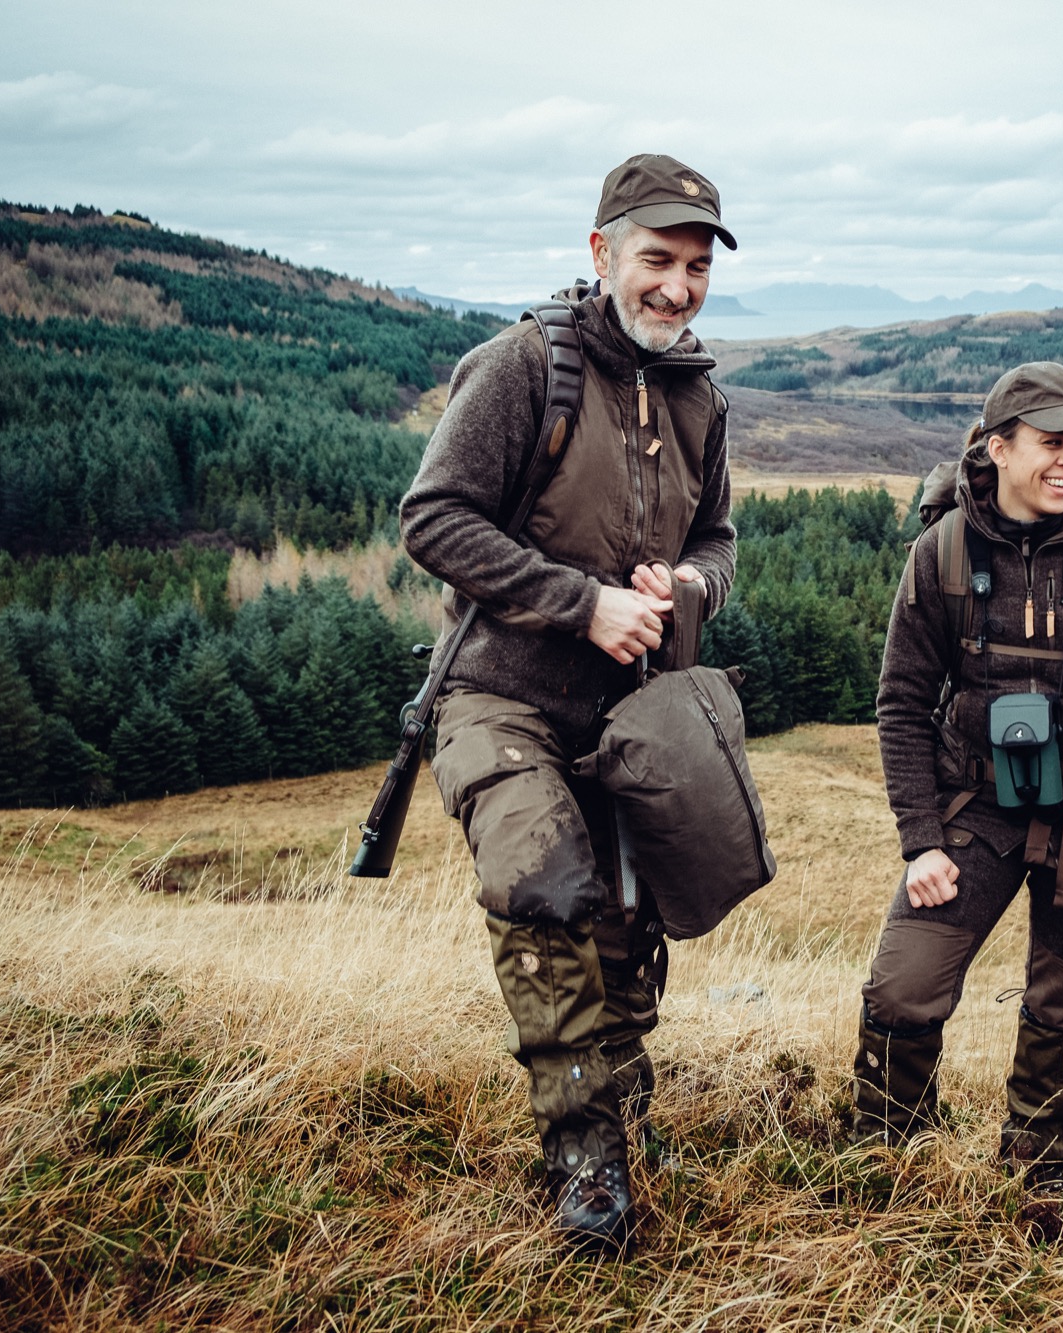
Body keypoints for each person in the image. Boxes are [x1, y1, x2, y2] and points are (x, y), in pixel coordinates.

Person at [398, 153, 740, 1248]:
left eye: (695, 268)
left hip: (632, 720)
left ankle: (616, 1106)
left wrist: (688, 586)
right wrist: (580, 603)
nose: (676, 288)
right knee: (540, 889)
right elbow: (434, 519)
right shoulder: (519, 366)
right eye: (656, 260)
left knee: (628, 943)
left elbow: (717, 542)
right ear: (600, 255)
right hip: (500, 694)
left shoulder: (700, 399)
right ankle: (588, 1165)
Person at [853, 361, 1063, 1207]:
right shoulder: (941, 552)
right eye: (1052, 442)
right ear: (998, 447)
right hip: (974, 807)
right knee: (902, 986)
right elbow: (900, 703)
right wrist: (922, 840)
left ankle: (1036, 1162)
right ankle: (883, 1153)